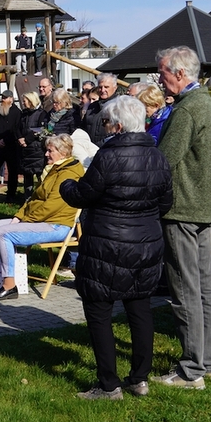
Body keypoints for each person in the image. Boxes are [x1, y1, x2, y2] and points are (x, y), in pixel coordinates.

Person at [60, 97, 173, 400]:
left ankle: (109, 385)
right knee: (140, 310)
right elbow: (166, 202)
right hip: (145, 243)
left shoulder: (108, 156)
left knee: (99, 312)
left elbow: (82, 194)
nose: (105, 127)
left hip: (107, 244)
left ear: (119, 125)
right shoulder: (158, 156)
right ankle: (139, 378)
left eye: (107, 122)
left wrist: (65, 184)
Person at [152, 46, 211, 390]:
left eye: (162, 73)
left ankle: (191, 369)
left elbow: (164, 160)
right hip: (202, 206)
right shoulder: (207, 104)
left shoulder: (187, 110)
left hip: (182, 208)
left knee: (185, 288)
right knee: (204, 286)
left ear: (180, 74)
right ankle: (206, 362)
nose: (159, 80)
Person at [0, 134, 84, 300]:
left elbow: (51, 207)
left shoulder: (68, 173)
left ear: (62, 153)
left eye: (50, 151)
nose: (46, 154)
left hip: (58, 225)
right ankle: (1, 275)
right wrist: (19, 216)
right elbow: (33, 199)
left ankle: (10, 285)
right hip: (42, 220)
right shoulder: (53, 169)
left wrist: (25, 219)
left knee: (4, 233)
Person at [17, 91, 49, 198]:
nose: (23, 103)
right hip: (25, 150)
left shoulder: (42, 114)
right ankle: (28, 198)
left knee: (40, 175)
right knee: (27, 176)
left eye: (25, 101)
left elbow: (41, 129)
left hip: (37, 150)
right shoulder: (24, 114)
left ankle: (40, 197)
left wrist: (26, 140)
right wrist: (20, 138)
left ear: (31, 101)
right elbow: (18, 128)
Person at [0, 90, 23, 201]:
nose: (3, 100)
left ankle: (11, 195)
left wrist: (5, 140)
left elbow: (16, 129)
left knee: (12, 171)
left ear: (11, 99)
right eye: (2, 97)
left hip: (12, 146)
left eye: (5, 98)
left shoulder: (17, 112)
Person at [83, 73, 119, 145]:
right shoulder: (92, 107)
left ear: (115, 87)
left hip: (109, 148)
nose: (102, 90)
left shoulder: (120, 107)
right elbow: (83, 128)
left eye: (106, 87)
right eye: (100, 87)